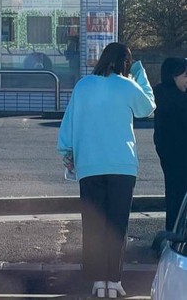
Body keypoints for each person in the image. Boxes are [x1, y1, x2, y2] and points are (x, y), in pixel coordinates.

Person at [57, 42, 155, 299]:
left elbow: (70, 120)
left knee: (93, 224)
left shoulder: (83, 85)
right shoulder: (127, 85)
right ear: (125, 62)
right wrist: (139, 72)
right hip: (122, 164)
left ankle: (97, 281)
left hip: (89, 165)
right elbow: (148, 107)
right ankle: (114, 281)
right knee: (116, 224)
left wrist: (67, 152)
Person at [153, 57, 187, 232]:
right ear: (173, 76)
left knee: (174, 197)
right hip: (180, 156)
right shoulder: (178, 99)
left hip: (169, 156)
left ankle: (173, 233)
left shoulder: (160, 93)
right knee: (180, 199)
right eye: (185, 76)